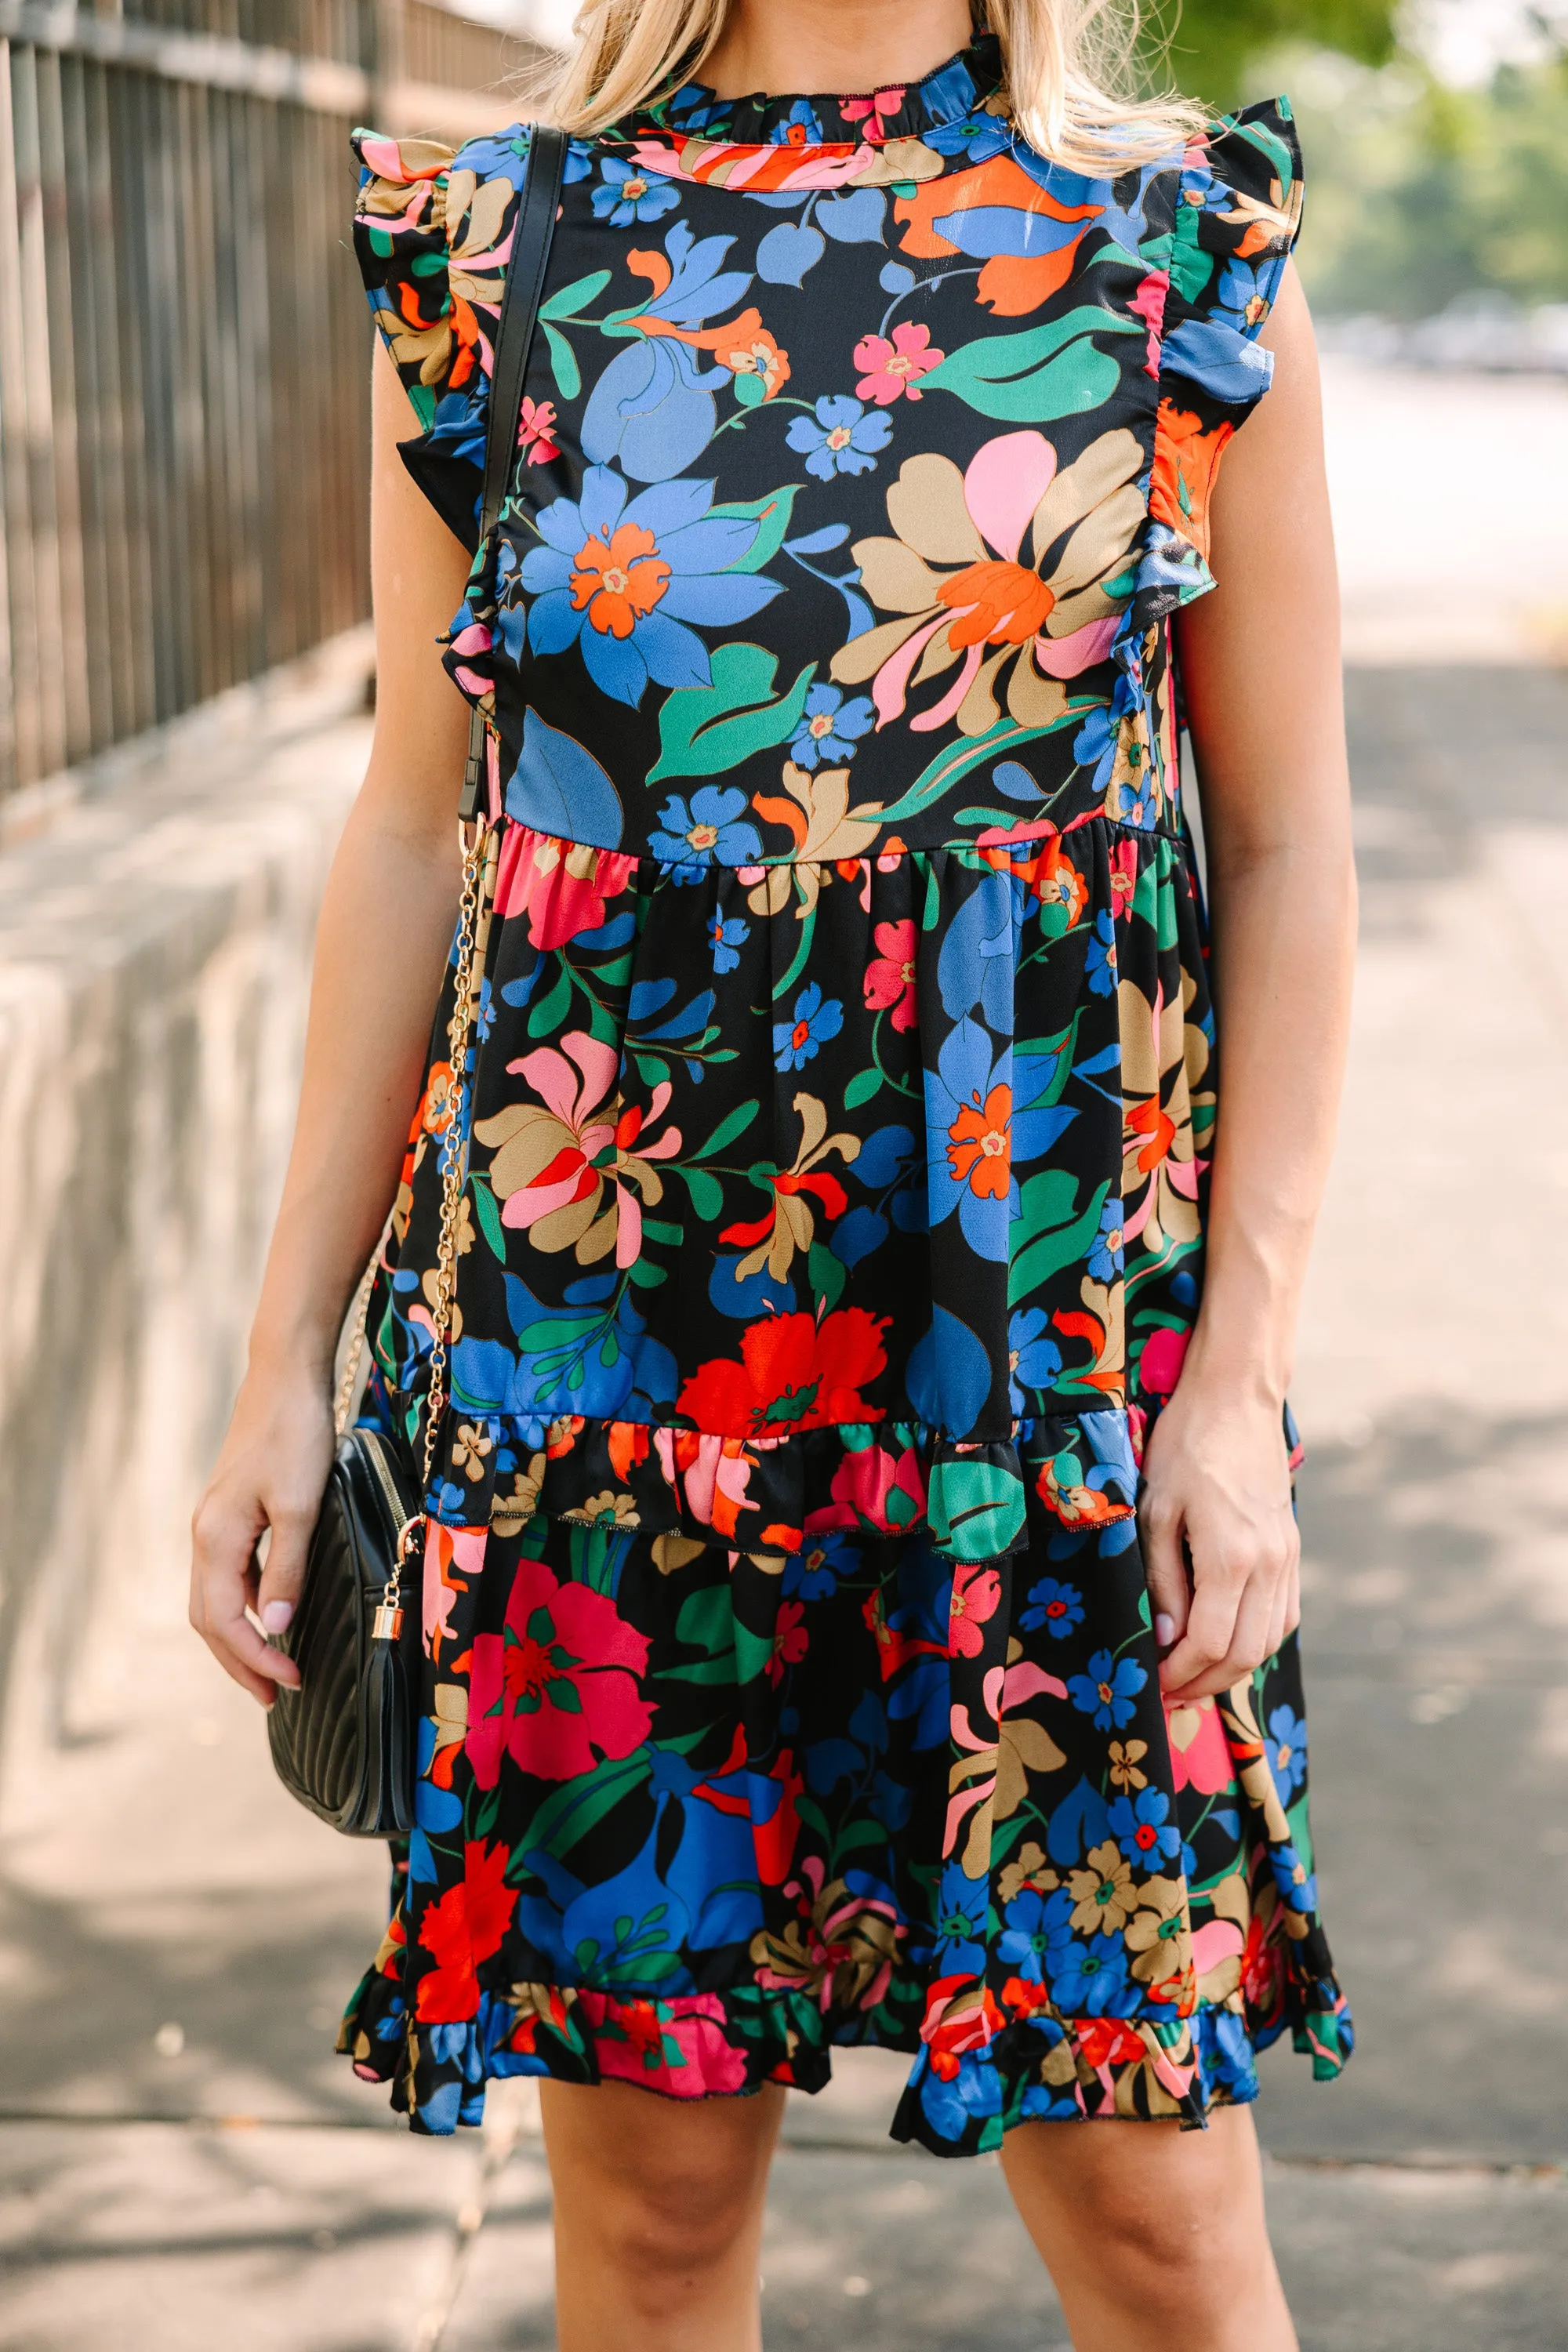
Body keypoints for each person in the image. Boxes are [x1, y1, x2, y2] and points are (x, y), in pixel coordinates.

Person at [191, 2, 1357, 2343]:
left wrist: (1238, 1385)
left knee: (1160, 2227)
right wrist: (276, 1368)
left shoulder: (1172, 243)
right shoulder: (498, 245)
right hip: (599, 1363)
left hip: (1040, 1383)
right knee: (648, 2224)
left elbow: (1292, 843)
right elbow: (419, 826)